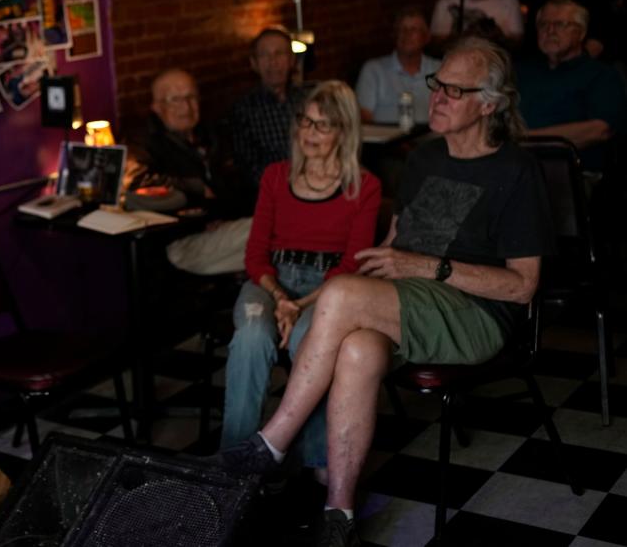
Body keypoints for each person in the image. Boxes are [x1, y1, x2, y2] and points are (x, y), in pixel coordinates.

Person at [214, 38, 552, 547]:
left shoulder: (517, 171)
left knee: (343, 295)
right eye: (437, 85)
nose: (435, 97)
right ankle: (340, 513)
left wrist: (422, 267)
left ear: (488, 105)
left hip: (475, 316)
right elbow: (397, 243)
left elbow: (523, 288)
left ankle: (272, 441)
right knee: (355, 349)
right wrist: (383, 264)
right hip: (408, 302)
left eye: (453, 91)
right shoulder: (423, 157)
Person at [221, 82, 381, 481]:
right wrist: (280, 297)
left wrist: (302, 304)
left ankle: (318, 462)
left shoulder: (364, 187)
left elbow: (351, 267)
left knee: (313, 343)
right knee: (252, 337)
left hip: (328, 290)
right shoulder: (276, 177)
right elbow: (254, 255)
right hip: (270, 281)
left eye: (323, 126)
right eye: (305, 122)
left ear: (344, 132)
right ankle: (235, 463)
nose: (309, 133)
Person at [129, 69, 252, 276]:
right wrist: (197, 189)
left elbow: (235, 181)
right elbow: (139, 183)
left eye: (191, 97)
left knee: (279, 246)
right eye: (175, 100)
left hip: (223, 229)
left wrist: (222, 214)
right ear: (157, 107)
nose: (186, 107)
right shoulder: (143, 140)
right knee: (274, 230)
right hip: (181, 240)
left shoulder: (210, 134)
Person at [517, 0, 626, 173]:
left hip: (572, 172)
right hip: (517, 167)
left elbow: (599, 130)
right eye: (544, 24)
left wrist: (525, 139)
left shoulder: (601, 75)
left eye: (560, 24)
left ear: (581, 33)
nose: (550, 31)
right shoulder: (521, 70)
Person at [231, 28, 306, 193]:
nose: (273, 62)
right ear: (254, 63)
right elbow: (248, 167)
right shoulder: (244, 110)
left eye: (280, 53)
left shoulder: (307, 101)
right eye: (265, 55)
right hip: (272, 191)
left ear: (292, 59)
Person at [354, 7, 442, 124]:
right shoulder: (374, 70)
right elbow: (362, 117)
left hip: (431, 139)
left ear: (426, 37)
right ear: (395, 35)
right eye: (402, 29)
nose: (407, 34)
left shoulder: (439, 69)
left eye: (413, 29)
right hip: (389, 140)